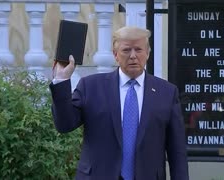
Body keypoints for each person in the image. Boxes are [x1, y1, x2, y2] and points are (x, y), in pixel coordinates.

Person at [50, 26, 189, 180]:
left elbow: (177, 151)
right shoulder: (91, 87)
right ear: (115, 55)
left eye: (138, 49)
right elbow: (64, 125)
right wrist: (61, 80)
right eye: (126, 50)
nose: (133, 56)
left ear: (148, 53)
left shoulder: (167, 93)